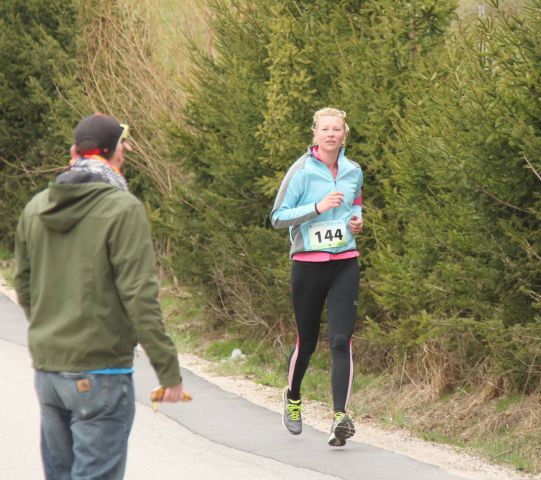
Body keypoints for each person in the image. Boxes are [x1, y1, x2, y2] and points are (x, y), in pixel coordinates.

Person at [14, 113, 185, 479]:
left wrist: (52, 333)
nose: (128, 151)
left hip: (49, 370)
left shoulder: (36, 207)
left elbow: (23, 286)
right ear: (112, 154)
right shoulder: (123, 209)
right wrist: (168, 370)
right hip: (101, 371)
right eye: (125, 144)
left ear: (75, 153)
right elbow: (139, 295)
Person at [270, 107, 363, 447]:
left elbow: (356, 205)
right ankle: (293, 398)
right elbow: (278, 217)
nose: (331, 135)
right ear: (315, 135)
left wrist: (356, 221)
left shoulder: (353, 170)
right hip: (308, 265)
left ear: (344, 135)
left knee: (341, 340)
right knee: (306, 342)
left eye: (337, 129)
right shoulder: (302, 170)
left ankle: (340, 416)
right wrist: (318, 208)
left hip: (344, 264)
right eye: (325, 129)